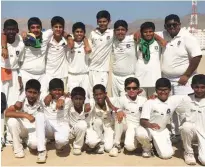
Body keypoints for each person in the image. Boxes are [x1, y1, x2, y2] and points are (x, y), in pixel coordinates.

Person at [157, 14, 202, 141]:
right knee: (170, 109)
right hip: (167, 80)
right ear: (165, 26)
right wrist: (140, 32)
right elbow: (148, 31)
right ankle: (175, 134)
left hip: (183, 80)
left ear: (179, 25)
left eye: (174, 24)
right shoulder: (164, 34)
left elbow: (197, 56)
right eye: (169, 25)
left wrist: (187, 75)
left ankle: (188, 136)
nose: (172, 27)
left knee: (184, 110)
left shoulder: (187, 37)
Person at [136, 78, 185, 159]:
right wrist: (150, 124)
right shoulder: (150, 102)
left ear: (169, 89)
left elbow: (190, 97)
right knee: (140, 133)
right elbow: (142, 121)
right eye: (160, 90)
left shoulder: (174, 100)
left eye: (165, 90)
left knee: (166, 155)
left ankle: (157, 145)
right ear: (156, 90)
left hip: (161, 131)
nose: (162, 92)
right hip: (148, 129)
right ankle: (147, 148)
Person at [109, 77, 147, 157]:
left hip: (137, 127)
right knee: (118, 116)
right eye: (128, 88)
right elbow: (114, 109)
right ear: (125, 89)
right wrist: (119, 111)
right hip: (126, 126)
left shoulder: (143, 100)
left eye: (134, 88)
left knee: (130, 147)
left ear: (138, 89)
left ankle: (140, 143)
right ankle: (116, 145)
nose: (131, 90)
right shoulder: (121, 99)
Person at [35, 78, 70, 163]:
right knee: (39, 115)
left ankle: (58, 146)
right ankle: (42, 151)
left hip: (61, 125)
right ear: (50, 91)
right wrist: (50, 95)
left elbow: (71, 94)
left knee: (62, 141)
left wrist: (62, 97)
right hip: (49, 127)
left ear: (62, 90)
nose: (57, 92)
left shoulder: (68, 100)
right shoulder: (45, 98)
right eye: (54, 90)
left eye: (59, 90)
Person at [5, 79, 42, 158]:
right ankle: (18, 149)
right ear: (25, 92)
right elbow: (7, 113)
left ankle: (26, 141)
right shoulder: (20, 102)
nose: (31, 95)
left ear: (39, 93)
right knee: (11, 121)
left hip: (34, 130)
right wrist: (25, 115)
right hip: (22, 128)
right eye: (29, 92)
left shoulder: (42, 101)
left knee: (35, 145)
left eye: (35, 93)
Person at [180, 74, 205, 165]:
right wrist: (154, 98)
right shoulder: (186, 99)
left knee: (204, 161)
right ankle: (188, 152)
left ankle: (200, 149)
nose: (199, 90)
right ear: (192, 87)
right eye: (196, 87)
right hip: (192, 132)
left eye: (203, 87)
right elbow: (168, 101)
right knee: (186, 126)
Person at [88, 10, 113, 97]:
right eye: (100, 22)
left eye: (104, 21)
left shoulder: (112, 33)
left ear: (109, 21)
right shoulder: (93, 33)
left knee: (101, 95)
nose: (102, 23)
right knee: (91, 94)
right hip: (91, 69)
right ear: (97, 22)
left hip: (103, 70)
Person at [135, 22, 163, 97]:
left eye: (150, 32)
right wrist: (138, 31)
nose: (148, 34)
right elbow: (134, 35)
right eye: (145, 32)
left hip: (154, 79)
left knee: (154, 104)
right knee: (141, 104)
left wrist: (157, 37)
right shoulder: (137, 42)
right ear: (141, 32)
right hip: (140, 79)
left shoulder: (158, 43)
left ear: (154, 32)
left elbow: (165, 43)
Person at [1, 19, 24, 107]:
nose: (11, 31)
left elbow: (21, 63)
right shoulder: (1, 40)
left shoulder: (21, 44)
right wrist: (4, 47)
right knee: (2, 100)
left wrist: (20, 76)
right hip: (2, 72)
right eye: (8, 29)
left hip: (14, 73)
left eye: (13, 29)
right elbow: (2, 36)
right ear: (4, 31)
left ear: (17, 30)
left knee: (13, 100)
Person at [85, 84, 115, 154]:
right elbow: (87, 104)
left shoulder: (112, 101)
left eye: (101, 94)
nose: (98, 97)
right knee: (98, 121)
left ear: (105, 94)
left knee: (108, 148)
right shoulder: (92, 101)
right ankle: (100, 144)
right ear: (93, 95)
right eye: (96, 95)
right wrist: (87, 104)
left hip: (108, 126)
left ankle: (111, 143)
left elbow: (117, 107)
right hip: (97, 127)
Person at [111, 20, 137, 97]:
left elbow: (142, 32)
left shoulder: (132, 39)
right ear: (114, 31)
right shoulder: (112, 41)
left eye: (122, 30)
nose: (120, 32)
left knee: (127, 102)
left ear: (126, 31)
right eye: (118, 30)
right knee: (116, 102)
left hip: (129, 77)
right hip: (115, 77)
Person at [45, 16, 69, 89]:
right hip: (48, 74)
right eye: (56, 27)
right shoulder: (47, 40)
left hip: (62, 75)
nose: (58, 29)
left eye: (60, 27)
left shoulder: (66, 41)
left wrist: (69, 37)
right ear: (52, 28)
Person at [67, 22, 90, 98]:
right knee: (72, 98)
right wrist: (69, 37)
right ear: (73, 33)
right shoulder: (68, 44)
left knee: (85, 98)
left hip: (84, 75)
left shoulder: (88, 43)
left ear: (84, 33)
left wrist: (86, 42)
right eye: (77, 32)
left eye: (81, 32)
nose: (79, 34)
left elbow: (89, 50)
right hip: (72, 76)